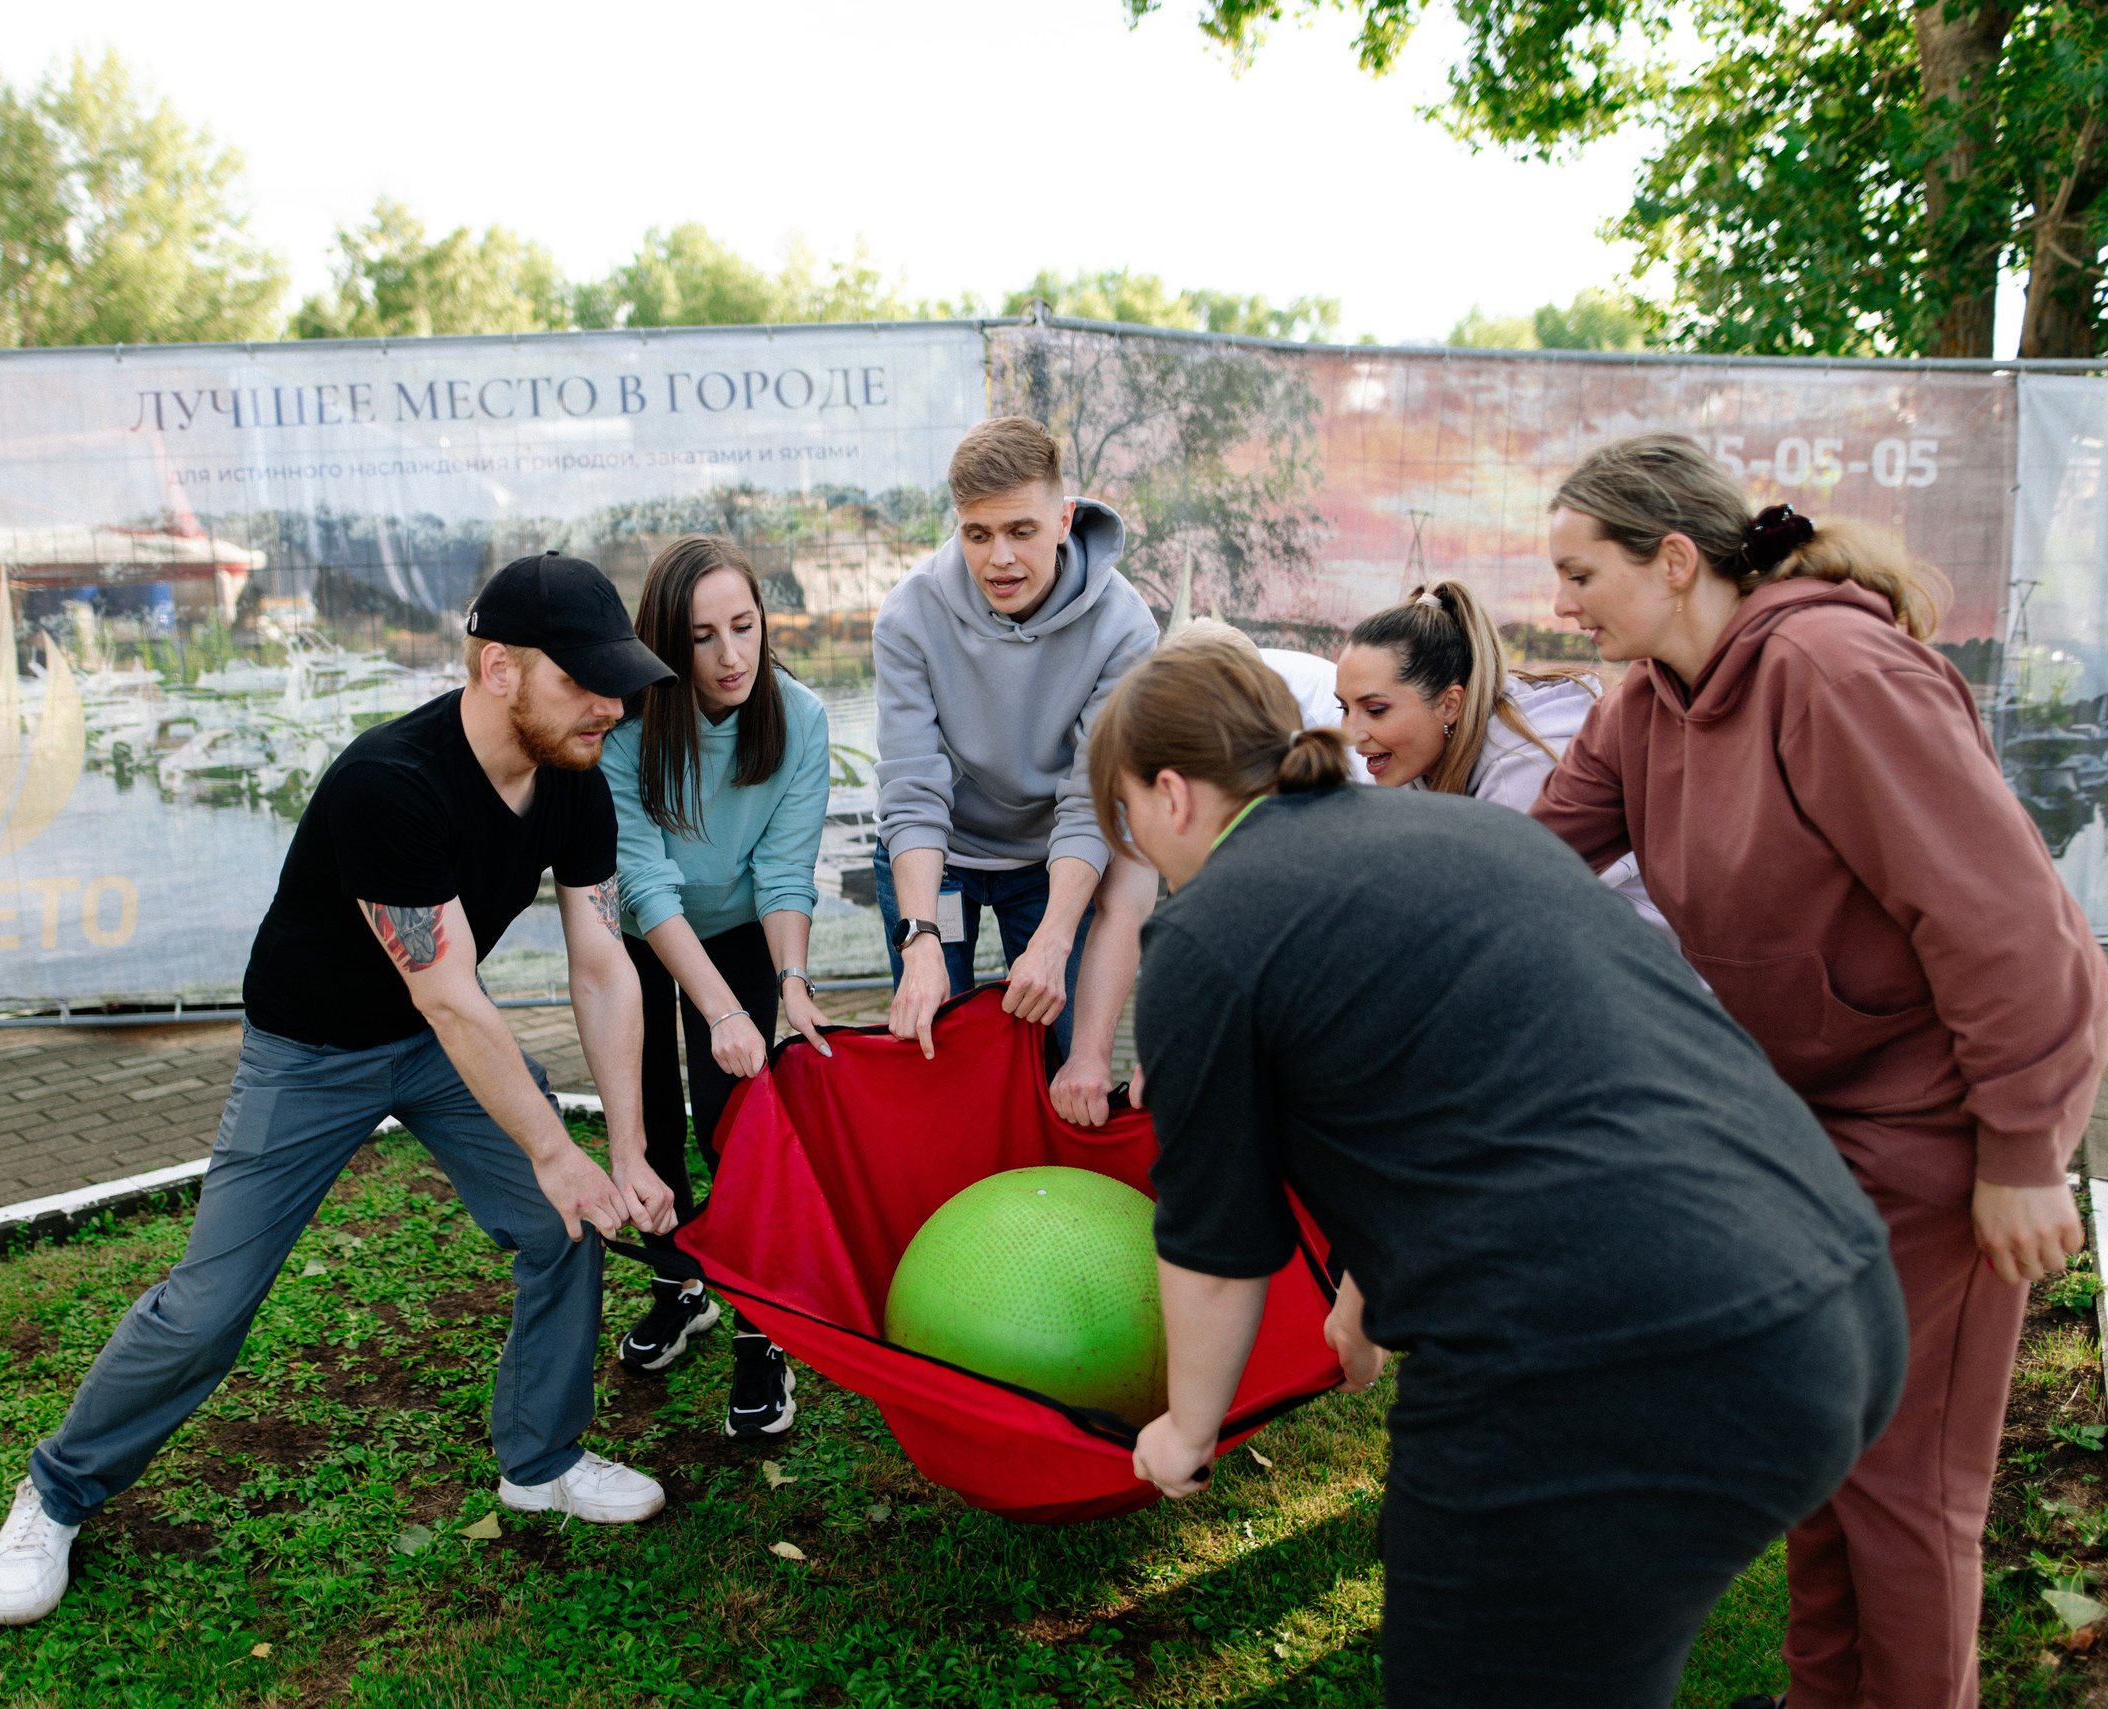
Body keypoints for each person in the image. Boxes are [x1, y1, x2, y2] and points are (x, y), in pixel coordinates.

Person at [1096, 638, 1907, 1707]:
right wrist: (1370, 1282)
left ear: (1169, 792)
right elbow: (1494, 1078)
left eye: (1129, 825)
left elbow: (1215, 1247)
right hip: (1836, 1296)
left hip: (1608, 1366)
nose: (1141, 853)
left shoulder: (1206, 933)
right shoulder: (1469, 827)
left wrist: (1184, 1428)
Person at [0, 554, 681, 1628]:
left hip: (441, 1042)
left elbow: (600, 961)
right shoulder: (388, 782)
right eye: (584, 678)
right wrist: (556, 1147)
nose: (612, 704)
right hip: (312, 1048)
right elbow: (450, 994)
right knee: (210, 1305)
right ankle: (58, 1490)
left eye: (617, 679)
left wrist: (623, 1149)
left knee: (567, 1222)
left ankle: (540, 1459)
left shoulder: (575, 774)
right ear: (498, 668)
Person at [1528, 434, 2108, 1709]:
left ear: (1673, 559)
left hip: (1940, 1125)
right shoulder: (1644, 703)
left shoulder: (1830, 667)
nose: (1559, 605)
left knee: (1907, 1482)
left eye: (1580, 574)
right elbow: (1523, 868)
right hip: (1807, 1128)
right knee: (1820, 1438)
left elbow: (2009, 920)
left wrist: (2021, 1152)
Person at [599, 534, 833, 1439]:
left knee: (731, 1123)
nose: (732, 655)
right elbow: (645, 882)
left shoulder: (800, 718)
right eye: (703, 637)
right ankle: (679, 1280)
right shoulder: (627, 724)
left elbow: (783, 873)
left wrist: (790, 980)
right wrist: (722, 1008)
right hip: (639, 933)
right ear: (666, 642)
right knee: (649, 1119)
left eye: (746, 626)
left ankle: (758, 1327)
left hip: (738, 929)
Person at [872, 415, 1159, 1124]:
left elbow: (1091, 801)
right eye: (977, 533)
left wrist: (1057, 935)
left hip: (1051, 859)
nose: (999, 558)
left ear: (1063, 518)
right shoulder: (908, 616)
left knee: (1055, 1060)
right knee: (940, 1049)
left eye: (1021, 531)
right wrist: (921, 937)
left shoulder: (1126, 630)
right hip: (941, 861)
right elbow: (912, 791)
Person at [1335, 579, 1668, 935]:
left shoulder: (1521, 775)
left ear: (1450, 704)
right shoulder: (1410, 759)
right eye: (1344, 708)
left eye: (1375, 710)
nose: (1351, 734)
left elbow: (1498, 922)